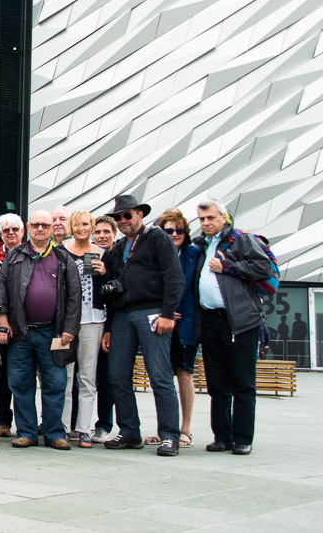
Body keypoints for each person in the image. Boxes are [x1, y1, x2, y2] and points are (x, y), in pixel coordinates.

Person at [101, 195, 184, 457]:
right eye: (118, 217)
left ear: (140, 214)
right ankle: (129, 431)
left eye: (127, 215)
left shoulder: (157, 237)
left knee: (160, 376)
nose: (123, 220)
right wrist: (109, 327)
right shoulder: (118, 247)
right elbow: (114, 287)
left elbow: (174, 276)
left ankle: (169, 435)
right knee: (117, 375)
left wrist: (168, 314)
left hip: (152, 311)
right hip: (122, 314)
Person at [0, 210, 81, 450]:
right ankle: (27, 432)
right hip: (20, 332)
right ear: (28, 228)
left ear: (52, 228)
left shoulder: (63, 258)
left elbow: (75, 296)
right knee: (20, 383)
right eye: (35, 225)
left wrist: (70, 328)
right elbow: (1, 288)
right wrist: (3, 319)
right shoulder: (14, 255)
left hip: (53, 332)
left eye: (45, 224)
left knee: (55, 383)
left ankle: (54, 433)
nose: (40, 229)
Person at [194, 199, 273, 456]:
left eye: (210, 218)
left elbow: (263, 267)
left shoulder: (241, 239)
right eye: (202, 219)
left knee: (242, 383)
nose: (206, 223)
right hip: (211, 320)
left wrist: (227, 266)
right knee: (217, 383)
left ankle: (242, 438)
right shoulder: (203, 245)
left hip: (239, 321)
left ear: (223, 217)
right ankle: (222, 437)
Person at [141, 208, 200, 449]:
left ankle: (184, 429)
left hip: (185, 321)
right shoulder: (154, 252)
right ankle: (165, 428)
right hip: (160, 319)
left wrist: (176, 311)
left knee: (184, 372)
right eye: (168, 231)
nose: (174, 234)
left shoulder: (194, 254)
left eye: (179, 230)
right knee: (161, 375)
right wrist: (165, 310)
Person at [60, 210, 109, 448]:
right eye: (77, 224)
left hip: (93, 319)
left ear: (91, 227)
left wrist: (104, 273)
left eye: (86, 224)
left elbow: (111, 288)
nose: (81, 228)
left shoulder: (102, 253)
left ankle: (84, 429)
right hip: (66, 321)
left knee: (88, 377)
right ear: (71, 227)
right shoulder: (61, 251)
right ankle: (62, 427)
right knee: (65, 377)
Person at [0, 213, 25, 437]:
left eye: (15, 229)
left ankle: (26, 422)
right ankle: (3, 418)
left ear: (23, 231)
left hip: (25, 322)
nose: (11, 233)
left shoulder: (32, 253)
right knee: (0, 374)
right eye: (6, 230)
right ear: (0, 234)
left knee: (22, 375)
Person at [92, 214, 118, 443]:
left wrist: (106, 273)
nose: (101, 236)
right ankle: (76, 423)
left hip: (112, 324)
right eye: (98, 232)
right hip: (92, 322)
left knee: (106, 377)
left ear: (114, 234)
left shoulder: (119, 256)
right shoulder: (91, 255)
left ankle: (104, 424)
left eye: (106, 232)